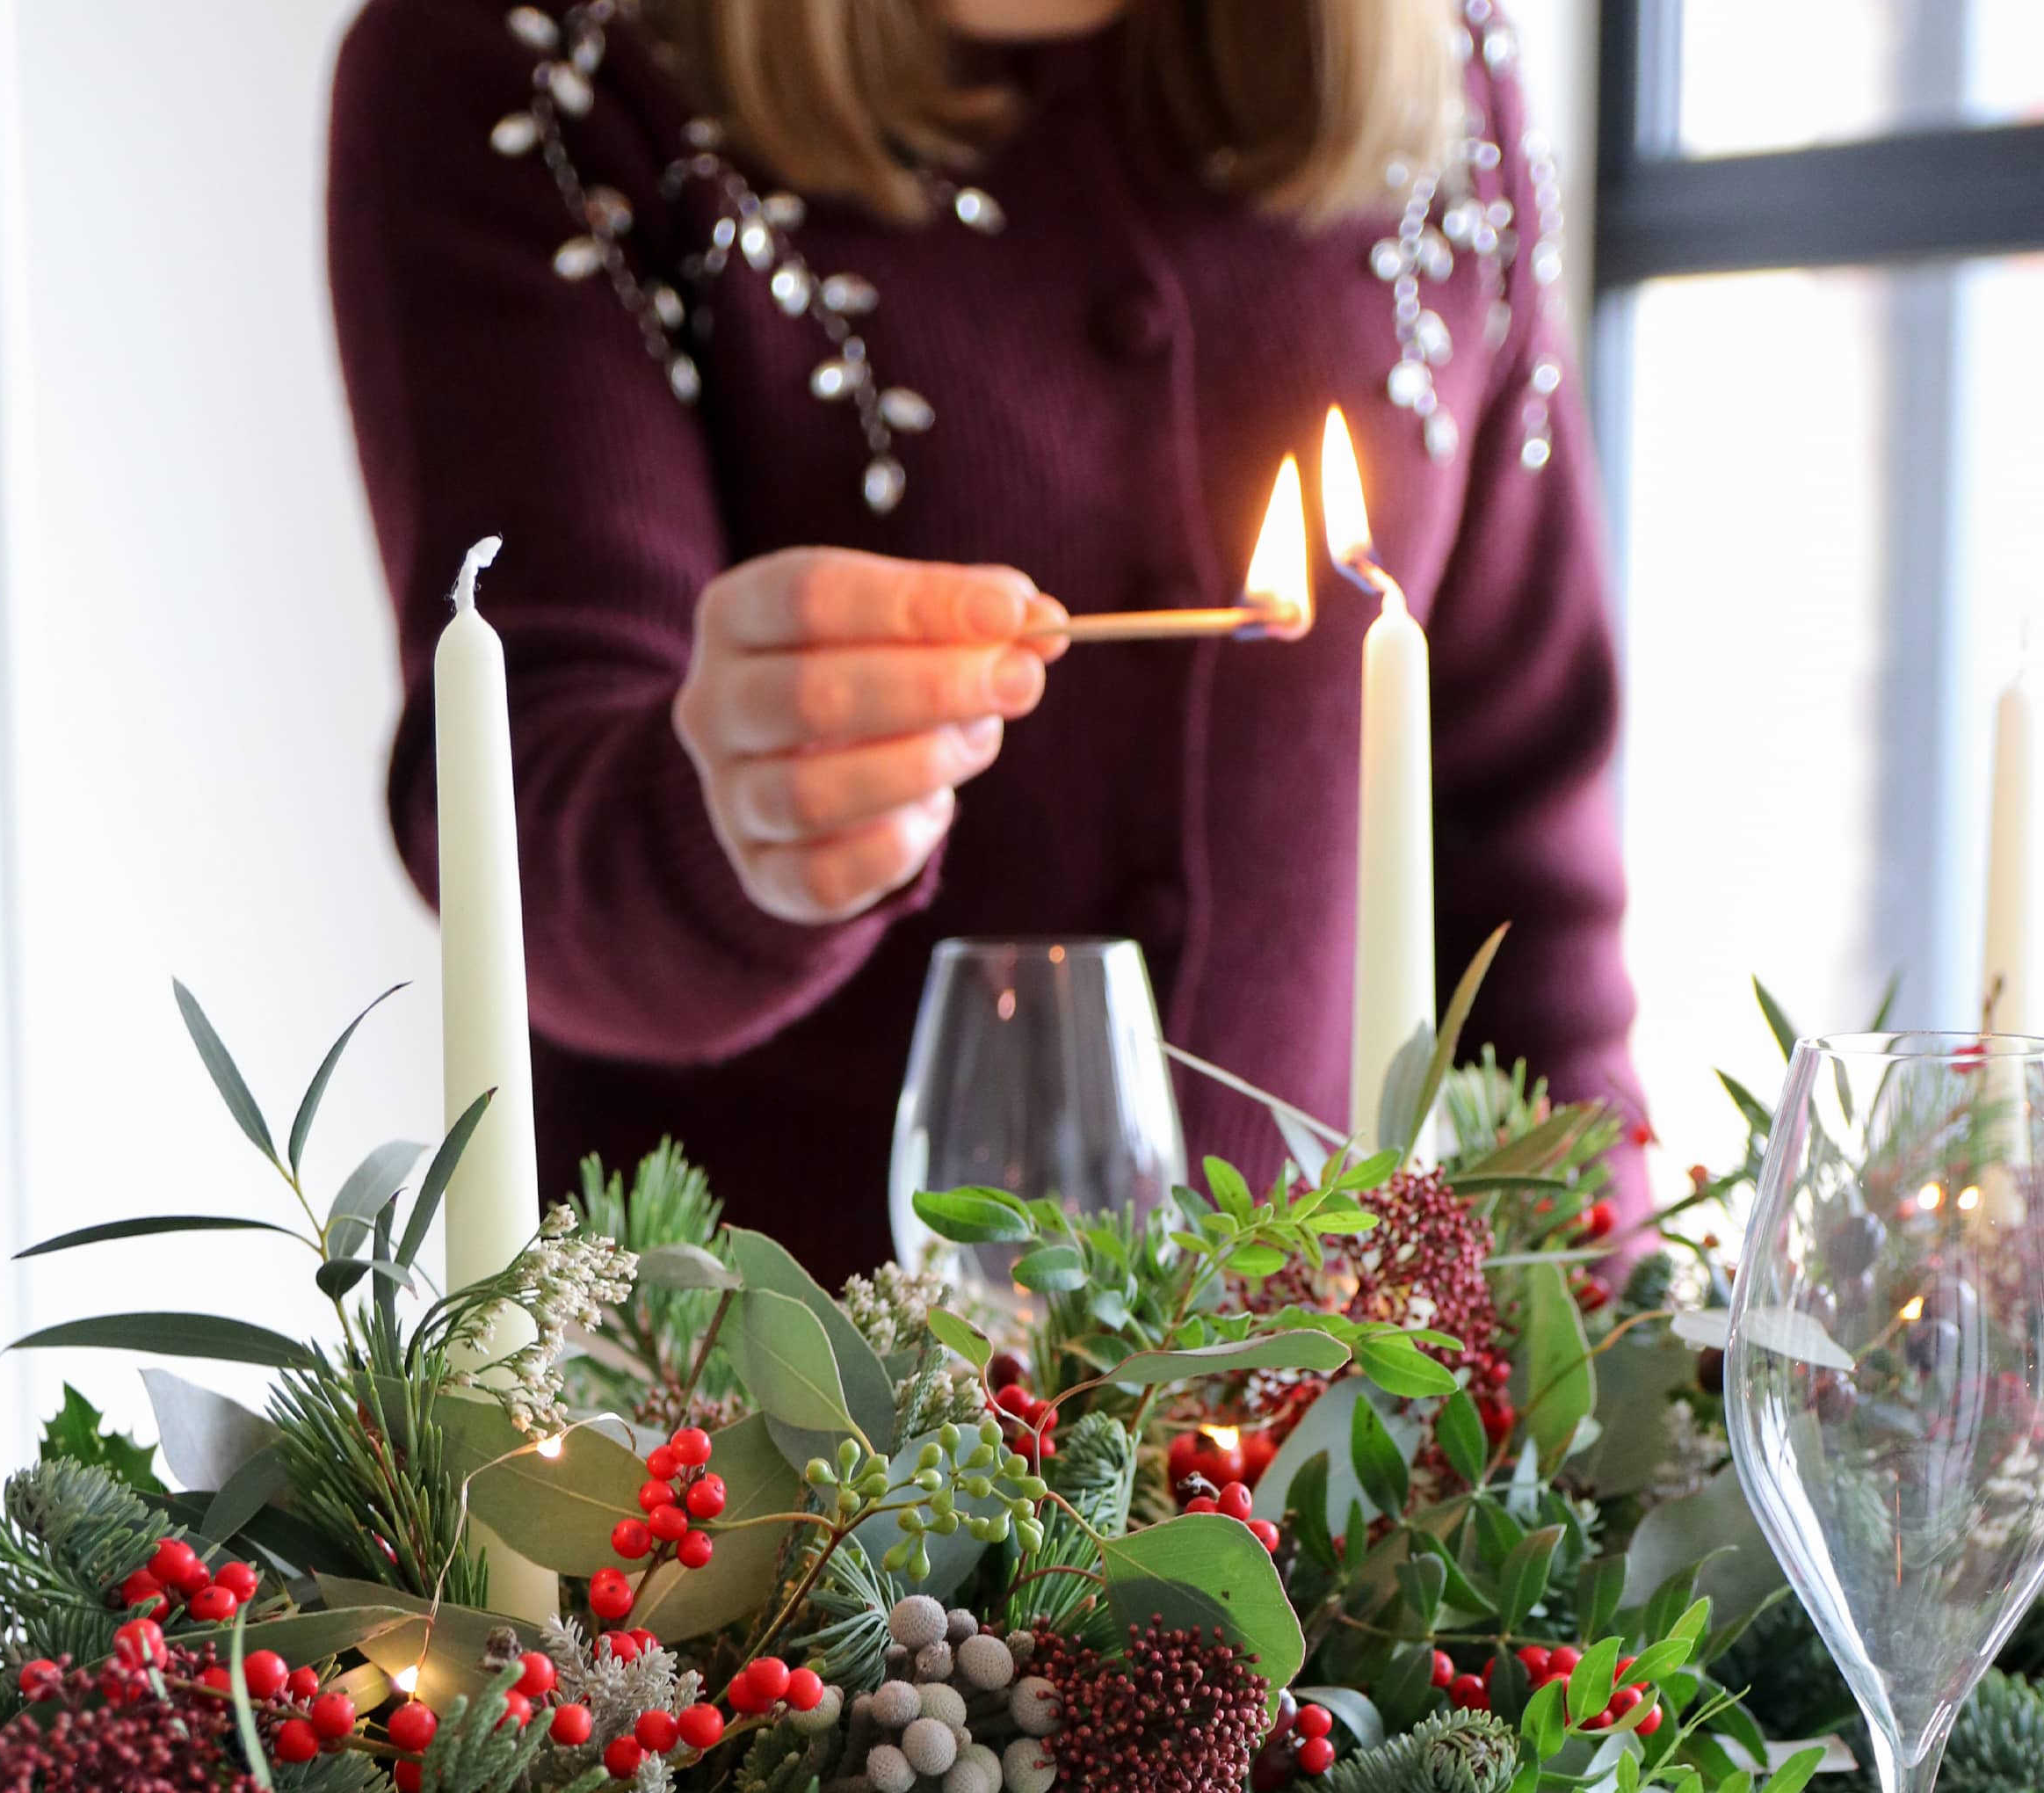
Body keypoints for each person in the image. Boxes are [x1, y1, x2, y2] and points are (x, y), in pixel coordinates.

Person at [330, 0, 1638, 1282]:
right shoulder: (525, 58)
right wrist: (736, 821)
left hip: (1312, 1447)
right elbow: (519, 806)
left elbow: (1524, 848)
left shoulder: (1442, 64)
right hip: (757, 1456)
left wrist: (1608, 1325)